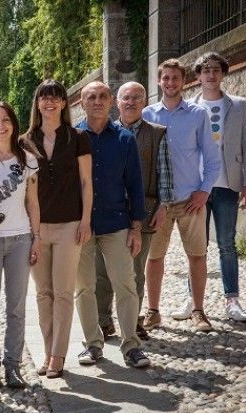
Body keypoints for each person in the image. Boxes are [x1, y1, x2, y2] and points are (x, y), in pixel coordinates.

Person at [75, 81, 150, 368]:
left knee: (126, 285)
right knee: (85, 288)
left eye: (102, 96)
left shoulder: (124, 139)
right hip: (81, 226)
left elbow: (135, 184)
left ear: (110, 102)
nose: (97, 101)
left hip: (117, 223)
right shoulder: (73, 138)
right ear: (82, 103)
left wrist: (136, 227)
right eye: (91, 97)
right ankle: (93, 345)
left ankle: (131, 346)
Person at [143, 59, 221, 332]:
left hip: (191, 200)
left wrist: (204, 191)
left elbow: (213, 159)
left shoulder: (198, 114)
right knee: (154, 258)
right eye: (166, 78)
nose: (171, 83)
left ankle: (198, 311)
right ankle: (153, 311)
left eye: (176, 78)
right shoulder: (147, 114)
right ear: (159, 81)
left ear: (184, 81)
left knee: (197, 256)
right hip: (159, 202)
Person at [95, 82, 175, 341]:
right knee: (103, 271)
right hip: (109, 212)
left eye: (136, 98)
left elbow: (164, 172)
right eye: (125, 97)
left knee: (136, 271)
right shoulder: (104, 133)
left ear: (144, 102)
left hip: (145, 211)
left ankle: (134, 321)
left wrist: (164, 205)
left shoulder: (158, 133)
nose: (130, 102)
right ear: (116, 102)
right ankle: (104, 321)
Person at [24, 80, 93, 378]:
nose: (49, 102)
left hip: (69, 225)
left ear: (65, 103)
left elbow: (86, 183)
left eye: (55, 97)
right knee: (43, 293)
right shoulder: (25, 141)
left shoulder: (78, 138)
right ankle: (48, 349)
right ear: (37, 103)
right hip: (36, 228)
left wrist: (86, 220)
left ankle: (58, 356)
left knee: (64, 292)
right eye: (44, 97)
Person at [189, 52, 246, 321]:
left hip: (228, 185)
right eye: (205, 70)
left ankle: (232, 300)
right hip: (196, 187)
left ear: (223, 73)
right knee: (196, 246)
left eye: (216, 69)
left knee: (227, 244)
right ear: (198, 76)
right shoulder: (189, 107)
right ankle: (194, 302)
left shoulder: (238, 106)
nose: (211, 74)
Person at [0, 101, 40, 388]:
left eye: (6, 120)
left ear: (14, 125)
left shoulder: (27, 160)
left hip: (19, 240)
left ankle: (12, 366)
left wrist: (36, 238)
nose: (0, 126)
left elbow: (33, 203)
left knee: (16, 308)